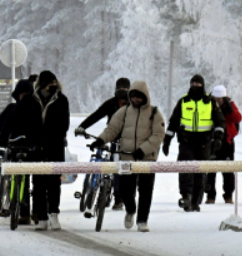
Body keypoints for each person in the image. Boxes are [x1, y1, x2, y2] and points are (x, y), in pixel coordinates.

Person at [91, 81, 165, 232]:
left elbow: (158, 135)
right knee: (125, 189)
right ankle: (130, 210)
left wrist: (143, 150)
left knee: (146, 190)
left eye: (139, 97)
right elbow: (111, 129)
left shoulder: (154, 113)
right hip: (127, 158)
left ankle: (142, 220)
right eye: (133, 97)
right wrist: (100, 140)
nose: (135, 100)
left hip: (147, 158)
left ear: (145, 97)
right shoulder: (123, 112)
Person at [4, 70, 70, 231]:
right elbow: (15, 117)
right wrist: (10, 134)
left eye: (54, 83)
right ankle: (42, 217)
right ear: (42, 84)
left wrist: (51, 137)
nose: (53, 86)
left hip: (55, 147)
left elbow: (64, 124)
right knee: (38, 183)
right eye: (50, 84)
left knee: (54, 183)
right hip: (36, 147)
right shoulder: (30, 100)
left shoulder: (61, 100)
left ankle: (54, 214)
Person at [164, 74, 226, 212]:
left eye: (198, 85)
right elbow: (173, 121)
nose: (195, 87)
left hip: (204, 142)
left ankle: (196, 200)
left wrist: (218, 138)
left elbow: (220, 121)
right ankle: (186, 196)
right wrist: (167, 140)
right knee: (185, 168)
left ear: (203, 86)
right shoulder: (183, 101)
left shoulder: (210, 102)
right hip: (186, 141)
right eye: (193, 84)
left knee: (199, 170)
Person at [0, 76, 37, 224]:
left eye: (26, 94)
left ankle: (25, 212)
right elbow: (0, 121)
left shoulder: (33, 109)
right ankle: (22, 212)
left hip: (28, 148)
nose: (23, 97)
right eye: (22, 94)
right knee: (20, 176)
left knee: (26, 178)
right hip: (13, 147)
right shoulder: (11, 108)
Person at [75, 77, 131, 210]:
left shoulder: (133, 105)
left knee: (123, 171)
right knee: (111, 166)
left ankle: (119, 199)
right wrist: (82, 126)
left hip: (128, 142)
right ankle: (104, 190)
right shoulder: (111, 103)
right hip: (113, 138)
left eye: (125, 88)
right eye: (119, 88)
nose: (122, 90)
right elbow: (97, 115)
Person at [205, 85, 240, 205]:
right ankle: (210, 196)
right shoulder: (207, 104)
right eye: (217, 98)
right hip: (212, 141)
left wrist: (230, 109)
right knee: (210, 170)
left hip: (227, 142)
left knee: (228, 171)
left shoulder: (230, 104)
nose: (219, 101)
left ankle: (228, 195)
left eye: (221, 98)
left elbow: (237, 118)